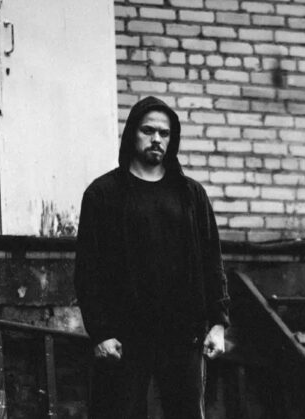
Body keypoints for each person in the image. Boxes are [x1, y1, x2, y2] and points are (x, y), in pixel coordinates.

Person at [74, 96, 232, 419]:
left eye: (164, 133)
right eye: (148, 131)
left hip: (182, 335)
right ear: (132, 133)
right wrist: (101, 332)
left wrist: (218, 323)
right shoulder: (103, 194)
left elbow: (212, 262)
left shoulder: (191, 195)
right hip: (124, 337)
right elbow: (88, 270)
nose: (157, 139)